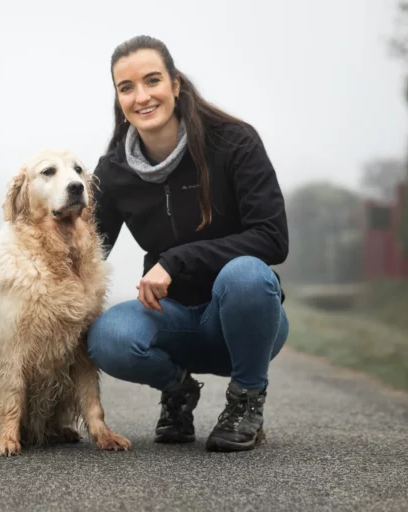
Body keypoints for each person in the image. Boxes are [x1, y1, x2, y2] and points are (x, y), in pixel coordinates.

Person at [86, 35, 289, 452]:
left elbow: (272, 237)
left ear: (175, 84)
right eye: (126, 87)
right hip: (171, 319)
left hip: (239, 319)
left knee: (247, 274)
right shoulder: (113, 170)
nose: (141, 96)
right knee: (108, 337)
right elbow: (88, 252)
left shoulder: (234, 142)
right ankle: (177, 390)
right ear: (118, 98)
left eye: (152, 80)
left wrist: (177, 261)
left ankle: (246, 402)